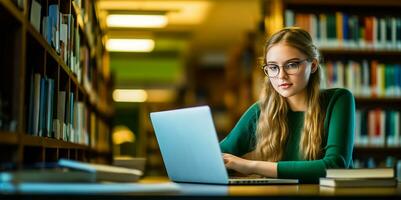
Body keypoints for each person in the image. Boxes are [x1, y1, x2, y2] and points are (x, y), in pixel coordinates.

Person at [220, 27, 355, 183]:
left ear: (313, 65)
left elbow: (334, 166)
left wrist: (252, 166)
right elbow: (218, 155)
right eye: (273, 67)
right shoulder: (260, 111)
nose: (281, 76)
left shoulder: (339, 100)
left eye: (291, 65)